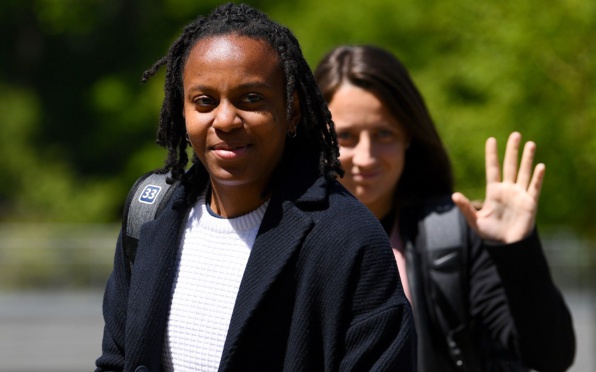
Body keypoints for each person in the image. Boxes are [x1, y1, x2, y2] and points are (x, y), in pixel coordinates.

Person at [95, 5, 416, 372]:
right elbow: (115, 362)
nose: (226, 119)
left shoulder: (348, 238)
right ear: (180, 110)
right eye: (205, 101)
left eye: (251, 99)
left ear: (292, 110)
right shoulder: (150, 216)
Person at [314, 45, 575, 371]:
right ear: (318, 137)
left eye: (384, 134)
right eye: (347, 136)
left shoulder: (455, 238)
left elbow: (550, 356)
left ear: (408, 136)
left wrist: (517, 250)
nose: (366, 157)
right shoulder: (281, 235)